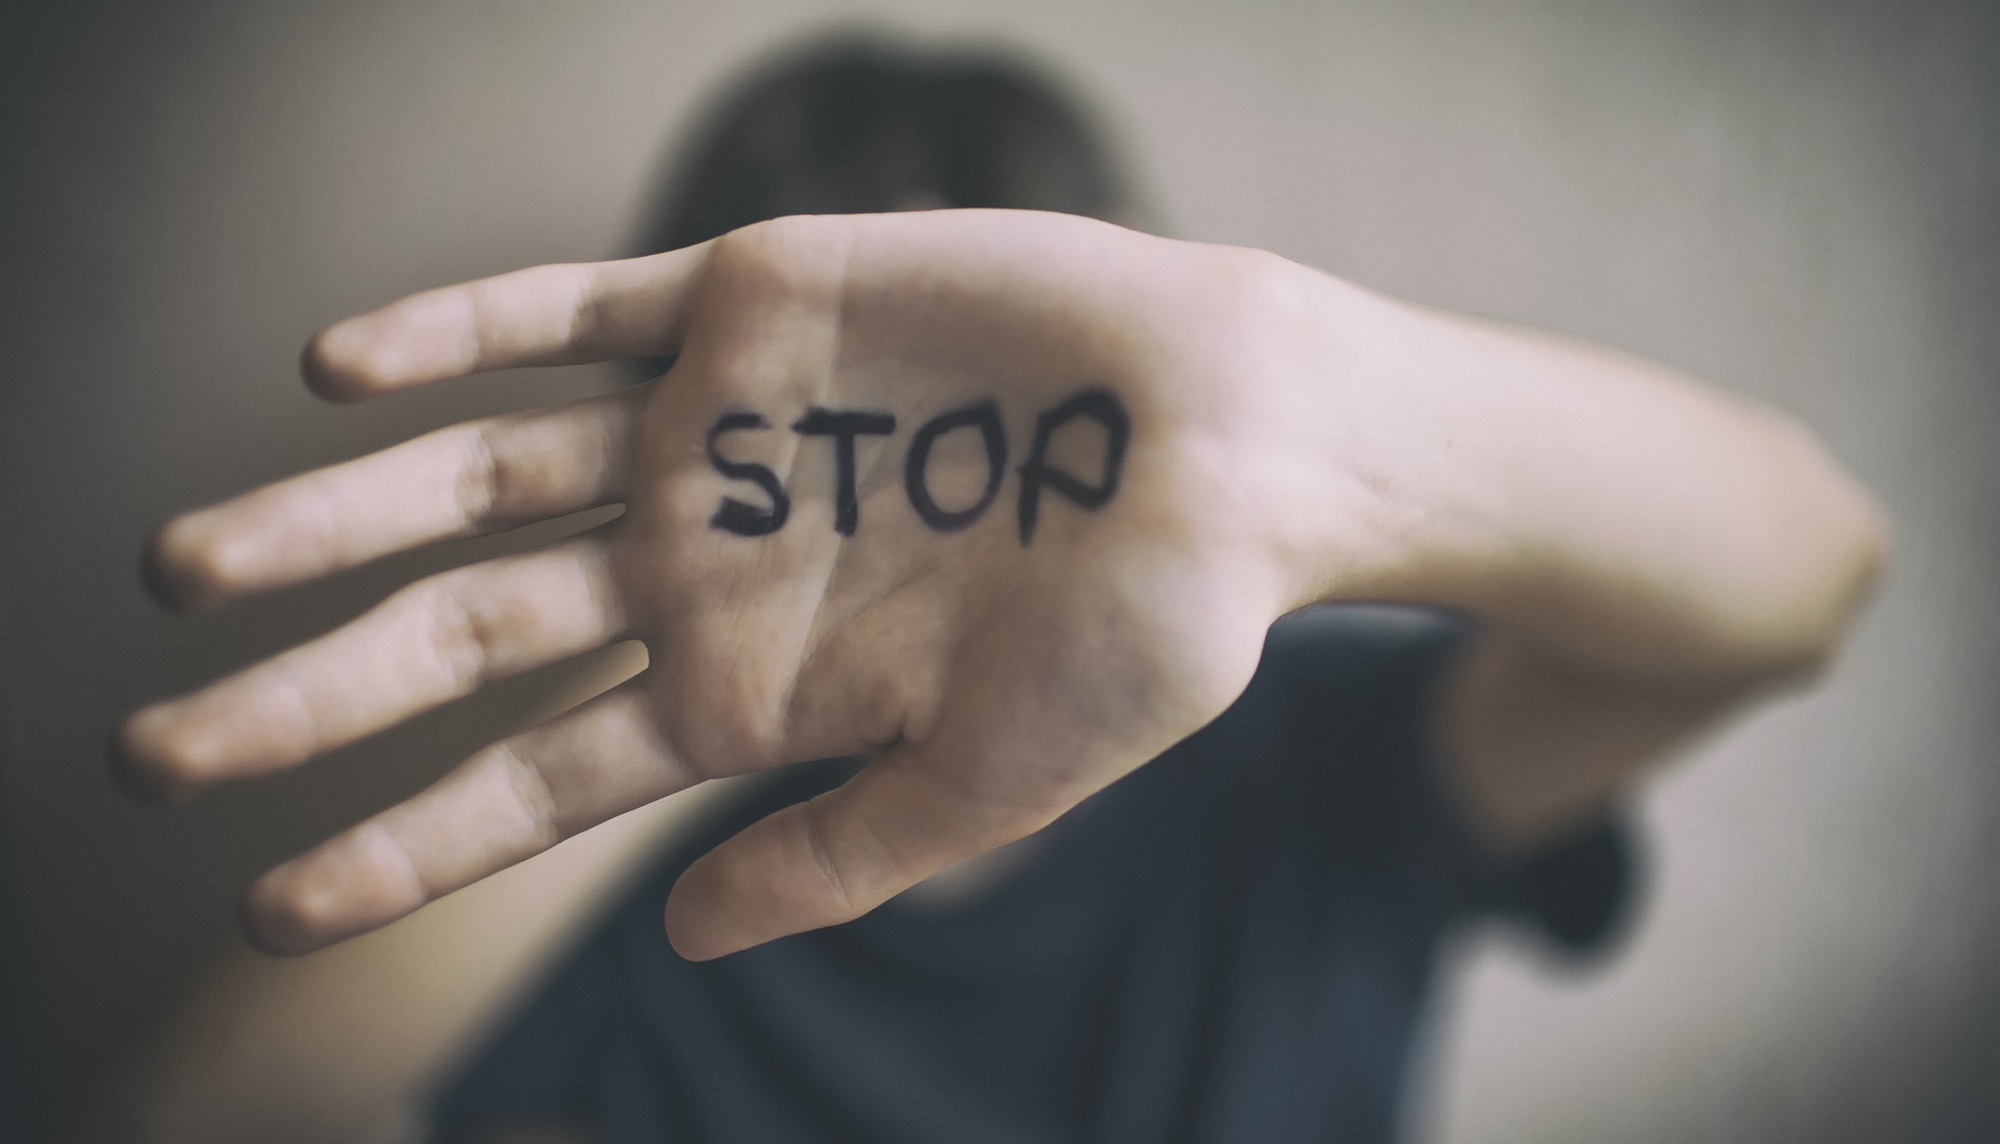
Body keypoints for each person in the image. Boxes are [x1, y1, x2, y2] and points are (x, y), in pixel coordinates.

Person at [114, 35, 1886, 1144]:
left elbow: (1812, 569)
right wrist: (648, 685)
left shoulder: (1320, 759)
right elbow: (225, 1114)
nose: (920, 544)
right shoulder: (667, 908)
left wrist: (1313, 413)